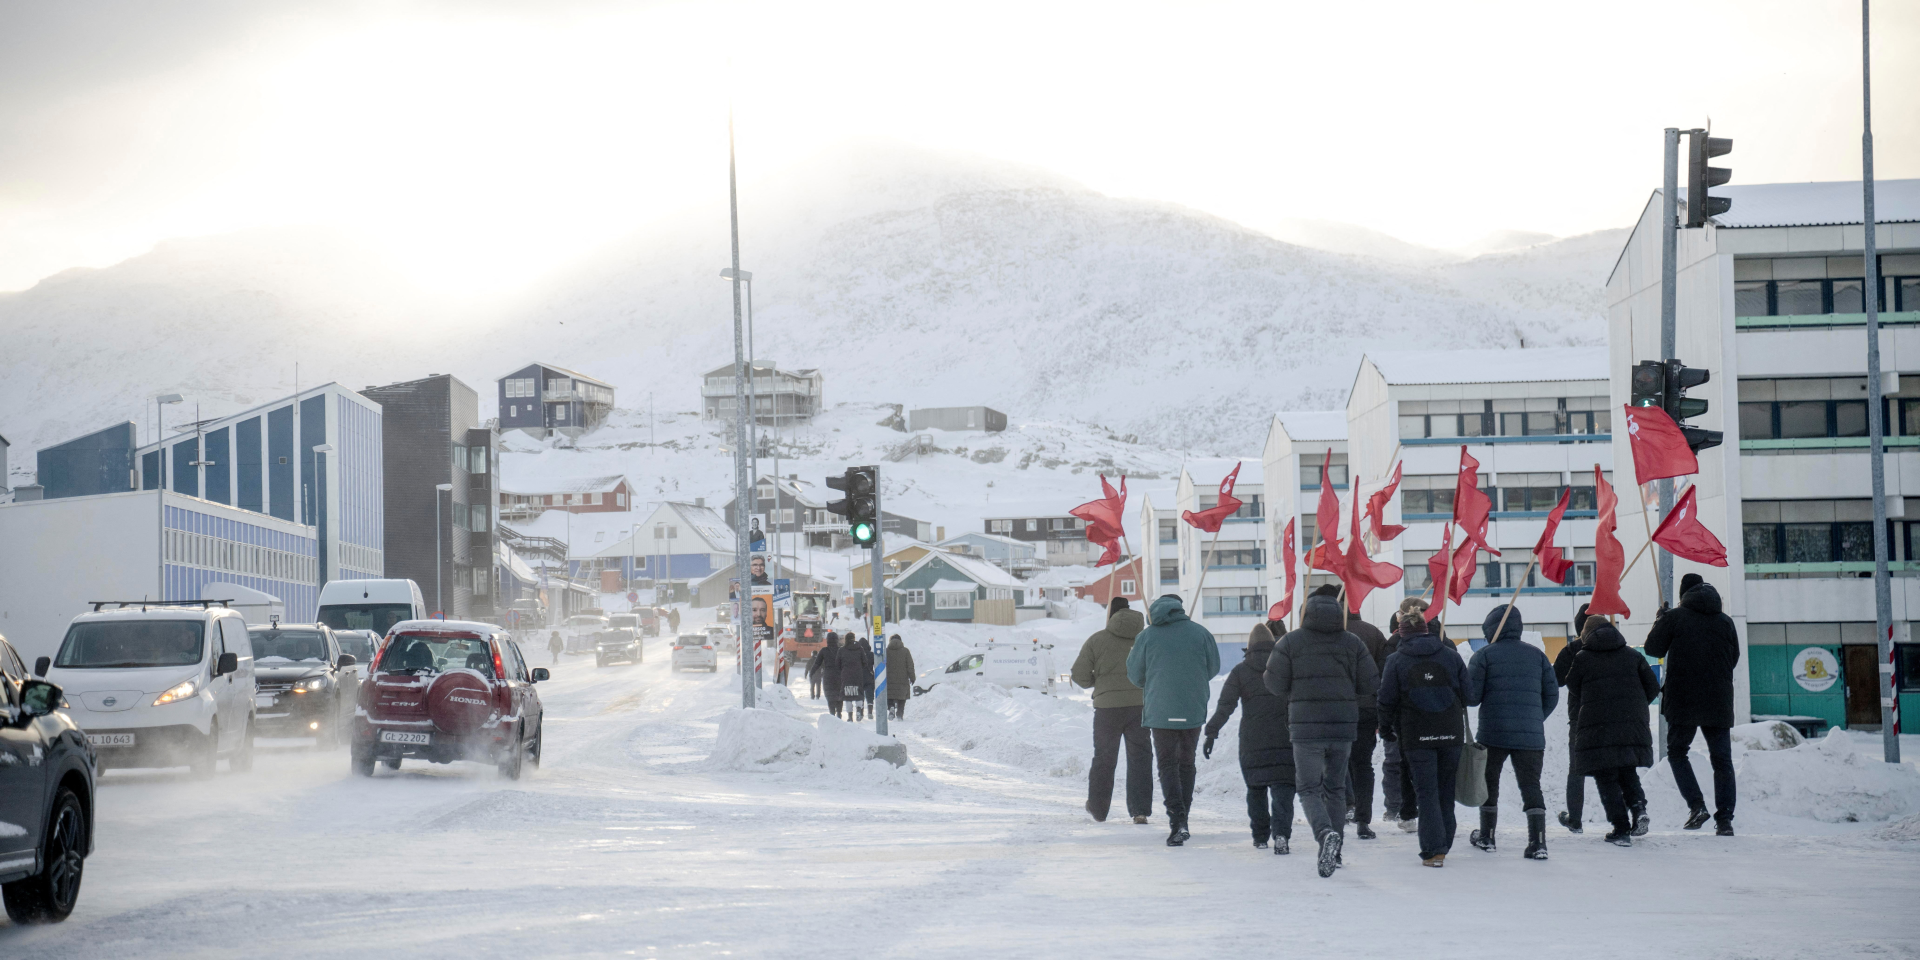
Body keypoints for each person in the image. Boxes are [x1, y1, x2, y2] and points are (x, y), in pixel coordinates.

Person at [1266, 587, 1378, 878]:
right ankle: (1336, 851)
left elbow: (1275, 685)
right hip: (1343, 726)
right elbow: (1370, 684)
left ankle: (1325, 833)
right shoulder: (1352, 642)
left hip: (1305, 728)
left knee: (1308, 788)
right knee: (1336, 788)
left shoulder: (1290, 642)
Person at [1646, 574, 1741, 836]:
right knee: (1722, 760)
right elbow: (1733, 658)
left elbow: (1653, 648)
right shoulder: (1726, 621)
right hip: (1718, 700)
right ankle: (1725, 821)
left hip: (1683, 697)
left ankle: (1697, 806)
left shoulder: (1675, 617)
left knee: (1677, 753)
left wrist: (1660, 620)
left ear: (1683, 595)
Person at [1466, 605, 1560, 861]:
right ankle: (1537, 843)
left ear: (1491, 630)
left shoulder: (1483, 656)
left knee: (1489, 783)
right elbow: (1552, 695)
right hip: (1530, 736)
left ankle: (1487, 836)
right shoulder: (1538, 656)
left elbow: (1472, 698)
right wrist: (1533, 718)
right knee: (1531, 785)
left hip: (1493, 732)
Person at [1126, 594, 1220, 847]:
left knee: (1167, 765)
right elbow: (1213, 669)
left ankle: (1177, 821)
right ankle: (1184, 818)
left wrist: (1156, 680)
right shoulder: (1201, 633)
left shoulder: (1146, 637)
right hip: (1192, 707)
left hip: (1161, 709)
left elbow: (1135, 676)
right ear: (1180, 609)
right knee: (1186, 764)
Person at [1376, 611, 1468, 868]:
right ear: (1427, 630)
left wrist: (1385, 729)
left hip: (1416, 735)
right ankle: (1443, 843)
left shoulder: (1395, 661)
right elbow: (1469, 694)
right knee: (1445, 791)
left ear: (1401, 633)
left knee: (1426, 793)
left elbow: (1386, 700)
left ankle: (1433, 850)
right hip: (1451, 733)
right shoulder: (1452, 656)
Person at [1564, 619, 1661, 847]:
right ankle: (1639, 810)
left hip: (1597, 725)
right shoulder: (1633, 656)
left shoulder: (1583, 658)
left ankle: (1620, 827)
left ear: (1587, 636)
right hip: (1631, 722)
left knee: (1605, 775)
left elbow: (1572, 685)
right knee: (1627, 770)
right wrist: (1636, 705)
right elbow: (1653, 686)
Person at [1205, 621, 1295, 853]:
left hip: (1252, 740)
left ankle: (1260, 837)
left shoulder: (1240, 672)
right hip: (1286, 737)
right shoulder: (1287, 666)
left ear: (1249, 648)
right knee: (1283, 789)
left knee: (1256, 790)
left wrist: (1211, 731)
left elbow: (1225, 706)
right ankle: (1282, 834)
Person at [1072, 598, 1153, 824]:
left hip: (1107, 709)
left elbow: (1079, 676)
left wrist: (1098, 682)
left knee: (1104, 758)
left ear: (1110, 615)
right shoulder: (1145, 639)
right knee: (1140, 758)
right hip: (1140, 707)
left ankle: (1098, 809)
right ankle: (1140, 811)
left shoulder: (1097, 640)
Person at [1341, 598, 1389, 840]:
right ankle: (1363, 820)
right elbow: (1383, 677)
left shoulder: (1336, 633)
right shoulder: (1374, 634)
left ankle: (1340, 813)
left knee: (1338, 762)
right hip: (1367, 710)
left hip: (1338, 710)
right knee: (1363, 765)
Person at [1382, 598, 1429, 830]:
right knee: (1429, 768)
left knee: (1399, 764)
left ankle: (1402, 810)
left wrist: (1384, 722)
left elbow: (1385, 688)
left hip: (1404, 719)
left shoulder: (1393, 649)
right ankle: (1430, 812)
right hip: (1437, 719)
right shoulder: (1444, 644)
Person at [1554, 603, 1593, 832]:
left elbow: (1556, 679)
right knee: (1616, 769)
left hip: (1580, 716)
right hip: (1611, 717)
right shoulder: (1617, 647)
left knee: (1577, 768)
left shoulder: (1572, 650)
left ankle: (1575, 820)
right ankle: (1629, 816)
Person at [886, 634, 915, 719]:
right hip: (902, 680)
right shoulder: (906, 651)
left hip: (889, 679)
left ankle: (891, 707)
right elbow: (910, 666)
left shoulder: (886, 651)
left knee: (890, 694)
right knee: (901, 697)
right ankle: (899, 714)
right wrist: (912, 678)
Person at [822, 633, 846, 719]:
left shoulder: (824, 651)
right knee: (840, 694)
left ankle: (832, 713)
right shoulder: (841, 650)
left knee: (830, 694)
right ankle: (839, 712)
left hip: (828, 676)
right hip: (840, 676)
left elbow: (818, 663)